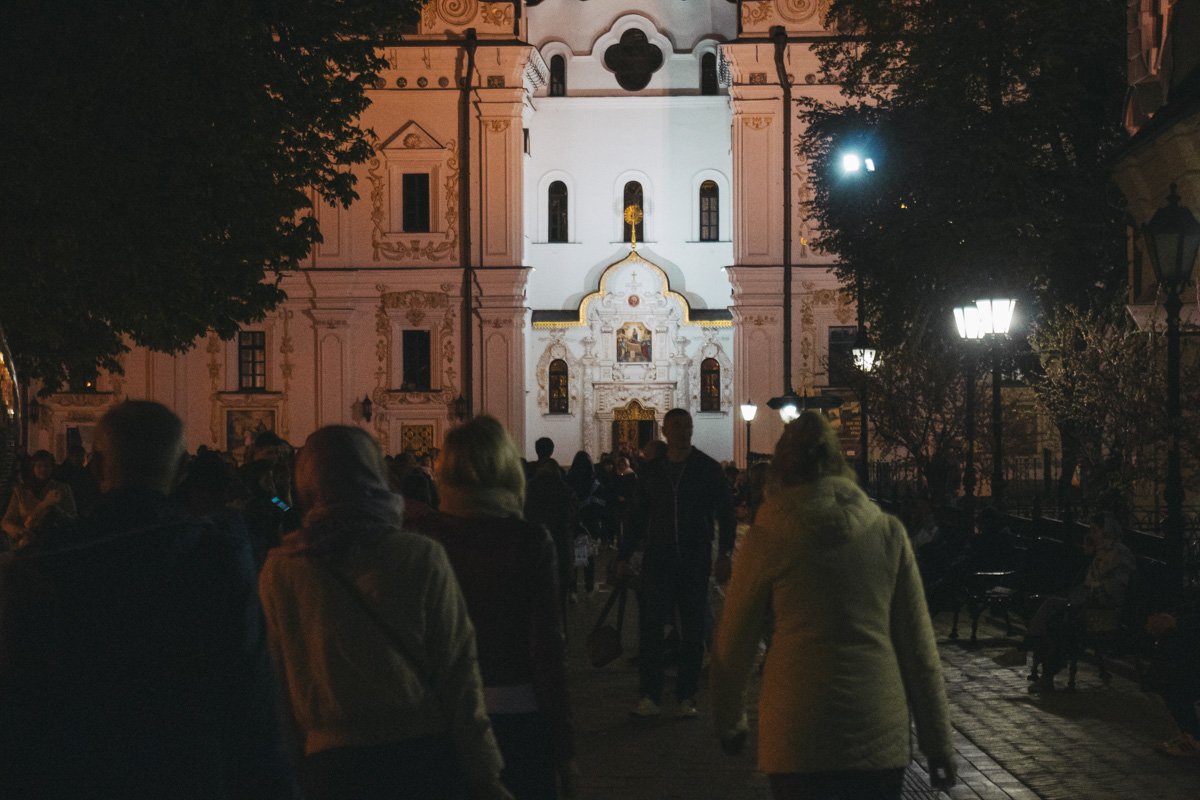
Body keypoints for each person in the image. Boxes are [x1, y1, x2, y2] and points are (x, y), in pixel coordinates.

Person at [0, 400, 295, 799]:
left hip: (75, 772)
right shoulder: (215, 557)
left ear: (98, 465)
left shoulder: (46, 561)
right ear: (181, 472)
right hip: (189, 771)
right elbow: (249, 699)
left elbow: (20, 702)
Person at [711, 411, 956, 800]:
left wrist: (730, 722)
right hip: (876, 726)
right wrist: (938, 741)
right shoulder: (886, 532)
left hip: (797, 728)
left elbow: (734, 641)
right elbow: (918, 648)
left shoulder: (767, 537)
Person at [257, 426, 510, 800]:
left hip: (330, 766)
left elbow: (276, 689)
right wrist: (484, 772)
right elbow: (458, 673)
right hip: (418, 757)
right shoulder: (420, 555)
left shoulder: (281, 571)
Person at [408, 416, 577, 800]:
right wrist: (564, 749)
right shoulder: (528, 541)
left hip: (442, 716)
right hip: (516, 710)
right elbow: (547, 650)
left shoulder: (422, 539)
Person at [616, 408, 736, 718]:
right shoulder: (652, 472)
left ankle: (687, 695)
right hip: (660, 557)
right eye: (676, 427)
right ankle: (649, 696)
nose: (682, 432)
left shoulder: (707, 469)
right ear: (665, 431)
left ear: (692, 430)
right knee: (651, 628)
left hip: (695, 557)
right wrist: (623, 555)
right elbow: (637, 516)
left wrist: (724, 551)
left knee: (693, 629)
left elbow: (726, 511)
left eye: (686, 426)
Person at [1025, 512, 1136, 693]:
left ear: (1106, 532)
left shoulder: (1117, 554)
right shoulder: (1101, 553)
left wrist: (1084, 596)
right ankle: (1034, 655)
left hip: (1101, 612)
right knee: (1050, 608)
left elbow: (1110, 590)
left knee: (1057, 618)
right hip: (1087, 604)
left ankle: (1030, 652)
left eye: (1095, 530)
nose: (1091, 535)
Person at [2, 449, 77, 549]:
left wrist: (54, 509)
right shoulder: (21, 491)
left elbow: (73, 518)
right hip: (25, 545)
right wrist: (22, 532)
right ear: (33, 468)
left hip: (54, 544)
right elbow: (7, 522)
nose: (43, 469)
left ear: (52, 468)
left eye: (47, 466)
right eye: (39, 466)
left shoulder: (62, 488)